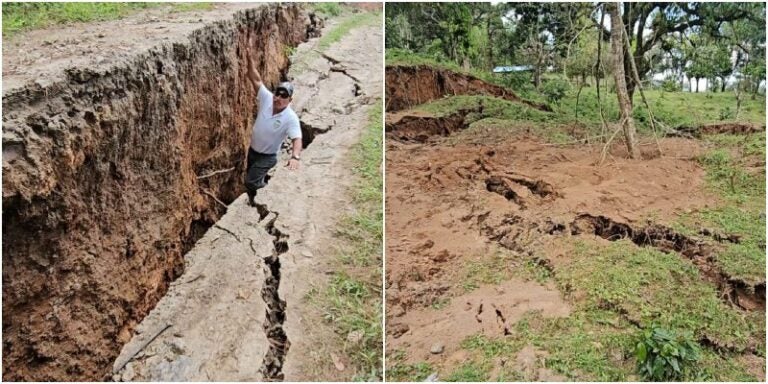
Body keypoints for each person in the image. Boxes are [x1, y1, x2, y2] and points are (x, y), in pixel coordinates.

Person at [243, 47, 302, 206]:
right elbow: (255, 78)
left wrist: (295, 157)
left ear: (290, 100)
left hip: (268, 157)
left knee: (251, 181)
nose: (279, 98)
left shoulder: (290, 118)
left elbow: (297, 138)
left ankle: (266, 196)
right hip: (253, 151)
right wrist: (249, 58)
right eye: (278, 93)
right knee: (251, 178)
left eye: (284, 96)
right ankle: (253, 201)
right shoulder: (267, 98)